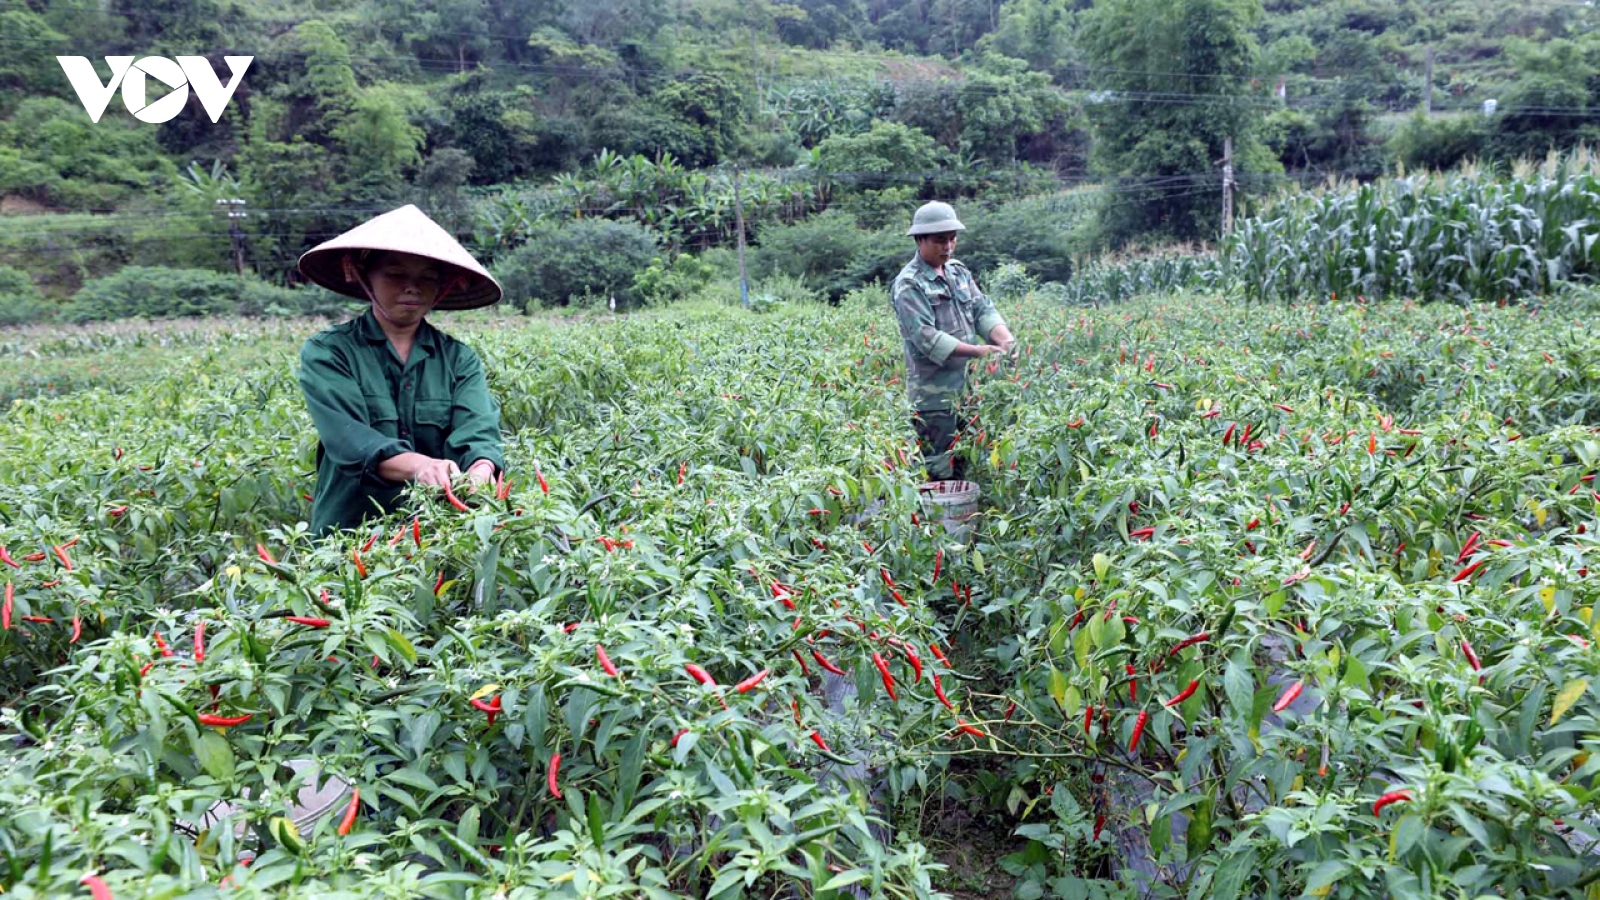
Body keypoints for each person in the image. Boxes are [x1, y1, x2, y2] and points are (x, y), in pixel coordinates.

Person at [295, 204, 506, 535]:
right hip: (348, 535)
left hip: (438, 535)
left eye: (427, 277)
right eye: (396, 275)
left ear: (442, 287)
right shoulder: (329, 352)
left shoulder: (459, 360)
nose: (412, 287)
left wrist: (481, 470)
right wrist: (421, 466)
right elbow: (350, 442)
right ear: (365, 277)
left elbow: (479, 430)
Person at [890, 201, 1015, 481]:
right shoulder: (909, 284)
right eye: (939, 240)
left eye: (952, 239)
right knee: (938, 470)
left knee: (966, 462)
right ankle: (936, 524)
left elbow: (982, 309)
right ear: (920, 240)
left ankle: (960, 519)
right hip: (935, 397)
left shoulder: (958, 272)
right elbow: (927, 338)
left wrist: (1004, 339)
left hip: (967, 391)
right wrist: (979, 352)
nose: (947, 246)